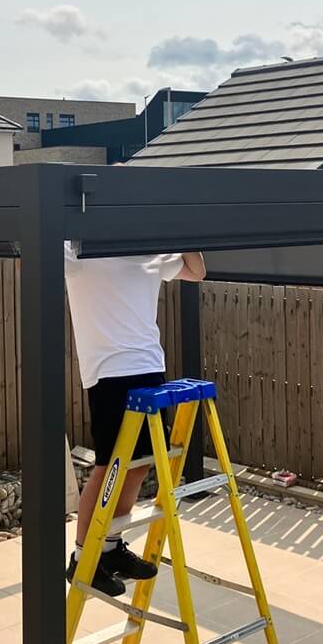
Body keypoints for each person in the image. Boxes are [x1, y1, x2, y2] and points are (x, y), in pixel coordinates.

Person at [64, 244, 207, 595]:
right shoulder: (80, 252)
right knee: (109, 466)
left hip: (150, 367)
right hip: (109, 373)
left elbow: (197, 272)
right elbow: (33, 262)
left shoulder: (149, 251)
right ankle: (83, 557)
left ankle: (111, 547)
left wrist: (182, 233)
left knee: (139, 465)